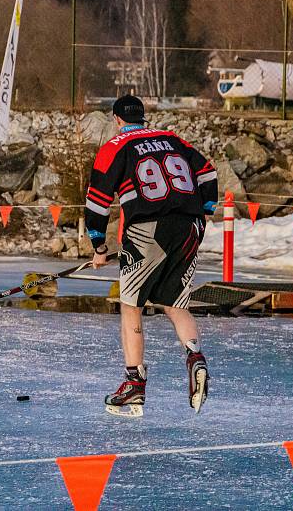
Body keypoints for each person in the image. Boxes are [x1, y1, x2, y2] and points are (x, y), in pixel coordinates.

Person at [85, 95, 218, 417]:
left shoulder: (116, 146)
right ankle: (195, 357)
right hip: (189, 227)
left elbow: (97, 201)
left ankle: (134, 385)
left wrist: (99, 246)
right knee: (175, 302)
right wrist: (205, 210)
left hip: (146, 228)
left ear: (116, 119)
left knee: (132, 306)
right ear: (143, 118)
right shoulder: (173, 140)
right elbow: (209, 174)